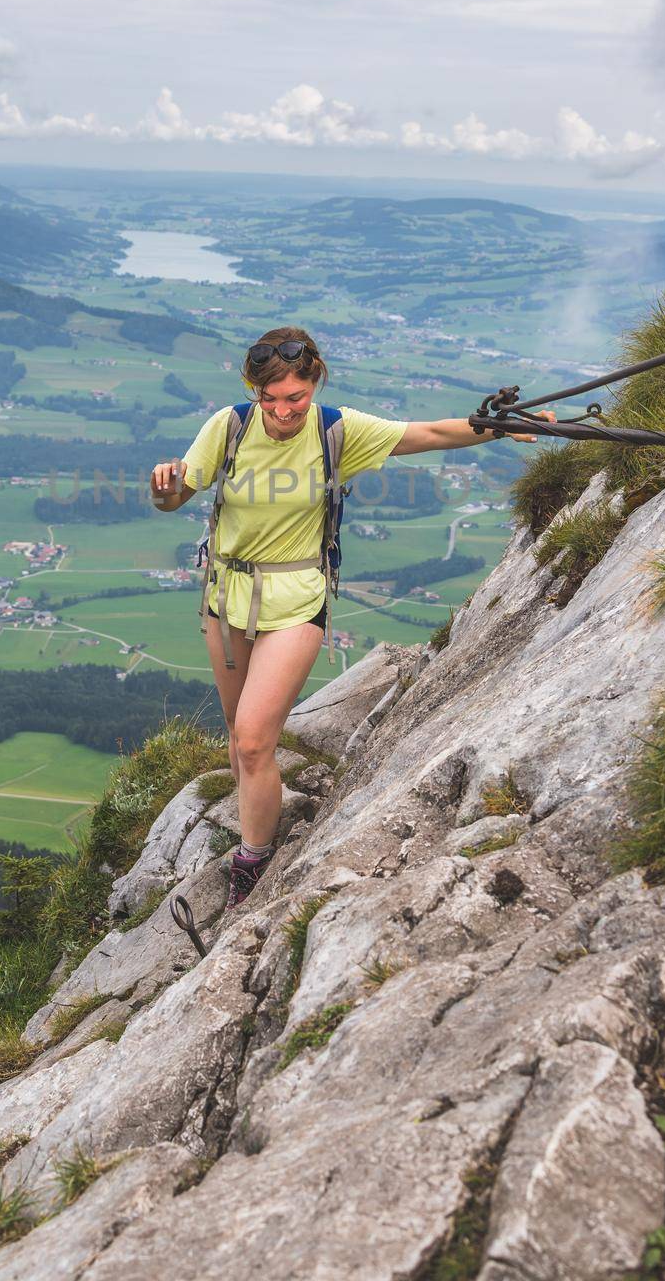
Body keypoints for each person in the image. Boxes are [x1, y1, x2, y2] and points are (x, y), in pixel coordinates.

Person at [150, 327, 555, 909]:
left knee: (255, 740)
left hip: (295, 602)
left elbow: (429, 434)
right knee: (240, 745)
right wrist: (162, 487)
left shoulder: (336, 430)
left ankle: (253, 862)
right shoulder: (229, 427)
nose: (283, 411)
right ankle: (260, 816)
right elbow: (176, 495)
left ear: (314, 384)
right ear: (254, 390)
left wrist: (500, 425)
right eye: (271, 398)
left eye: (295, 397)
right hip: (226, 601)